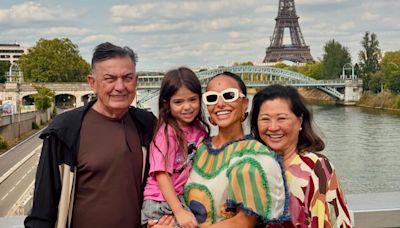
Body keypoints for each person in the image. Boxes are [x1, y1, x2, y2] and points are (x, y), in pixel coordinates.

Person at [24, 42, 156, 228]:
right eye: (110, 79)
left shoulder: (146, 124)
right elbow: (43, 206)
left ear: (136, 80)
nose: (120, 87)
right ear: (92, 83)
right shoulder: (65, 130)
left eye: (128, 78)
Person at [184, 72, 290, 227]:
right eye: (212, 98)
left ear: (245, 103)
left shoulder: (253, 154)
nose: (220, 104)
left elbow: (244, 222)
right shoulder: (199, 149)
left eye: (229, 95)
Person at [249, 84, 352, 227]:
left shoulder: (316, 168)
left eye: (281, 118)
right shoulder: (251, 167)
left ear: (300, 121)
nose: (273, 127)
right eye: (265, 119)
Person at [141, 67, 209, 228]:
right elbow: (161, 174)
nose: (187, 107)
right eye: (178, 102)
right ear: (167, 104)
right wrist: (178, 210)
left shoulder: (199, 129)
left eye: (192, 100)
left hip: (180, 197)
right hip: (161, 200)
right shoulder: (166, 133)